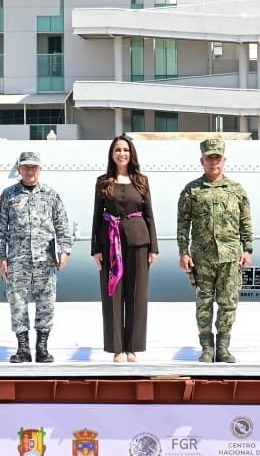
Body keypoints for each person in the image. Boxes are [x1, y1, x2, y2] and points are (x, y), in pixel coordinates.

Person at [176, 138, 252, 363]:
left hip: (230, 257)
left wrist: (247, 248)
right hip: (202, 258)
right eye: (209, 158)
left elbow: (245, 222)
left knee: (228, 303)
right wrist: (184, 252)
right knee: (204, 304)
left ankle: (223, 347)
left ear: (224, 160)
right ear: (202, 160)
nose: (213, 162)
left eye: (217, 158)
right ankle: (207, 348)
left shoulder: (236, 190)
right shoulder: (192, 191)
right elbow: (183, 224)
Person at [0, 151, 72, 364]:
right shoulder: (8, 195)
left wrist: (65, 250)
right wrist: (2, 257)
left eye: (34, 167)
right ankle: (22, 348)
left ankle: (42, 347)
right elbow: (1, 228)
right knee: (17, 302)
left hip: (45, 259)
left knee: (46, 302)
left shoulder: (50, 194)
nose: (30, 171)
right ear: (19, 169)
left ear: (40, 169)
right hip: (18, 259)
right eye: (26, 167)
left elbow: (62, 224)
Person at [90, 135, 158, 363]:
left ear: (132, 154)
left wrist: (153, 248)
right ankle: (116, 348)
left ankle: (133, 347)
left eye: (126, 150)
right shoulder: (103, 181)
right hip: (110, 243)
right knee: (113, 295)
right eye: (118, 150)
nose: (122, 154)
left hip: (139, 241)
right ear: (112, 154)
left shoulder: (141, 181)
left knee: (137, 295)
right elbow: (97, 216)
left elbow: (149, 215)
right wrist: (96, 249)